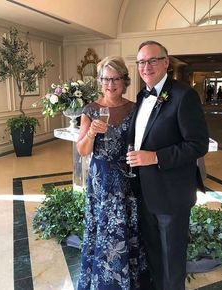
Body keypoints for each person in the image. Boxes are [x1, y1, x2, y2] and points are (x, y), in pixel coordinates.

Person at [126, 40, 209, 290]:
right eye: (141, 61)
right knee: (153, 254)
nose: (146, 66)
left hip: (172, 195)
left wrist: (155, 157)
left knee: (172, 261)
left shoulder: (184, 95)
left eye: (152, 60)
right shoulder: (141, 96)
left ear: (165, 62)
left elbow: (197, 145)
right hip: (145, 191)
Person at [76, 56, 150, 290]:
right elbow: (82, 150)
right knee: (102, 229)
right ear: (100, 81)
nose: (111, 84)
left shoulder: (135, 108)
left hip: (127, 179)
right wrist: (91, 134)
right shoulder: (91, 109)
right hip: (101, 182)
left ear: (125, 81)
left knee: (126, 228)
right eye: (106, 79)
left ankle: (128, 280)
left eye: (116, 78)